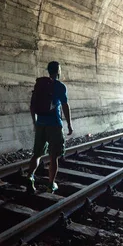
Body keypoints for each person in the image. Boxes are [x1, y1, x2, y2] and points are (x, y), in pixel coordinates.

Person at [27, 61, 73, 193]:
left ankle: (30, 176)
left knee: (36, 155)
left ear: (48, 70)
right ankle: (51, 184)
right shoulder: (59, 86)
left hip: (41, 125)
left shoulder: (40, 85)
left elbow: (32, 106)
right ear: (58, 71)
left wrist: (35, 123)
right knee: (53, 157)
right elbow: (65, 106)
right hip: (54, 126)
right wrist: (69, 124)